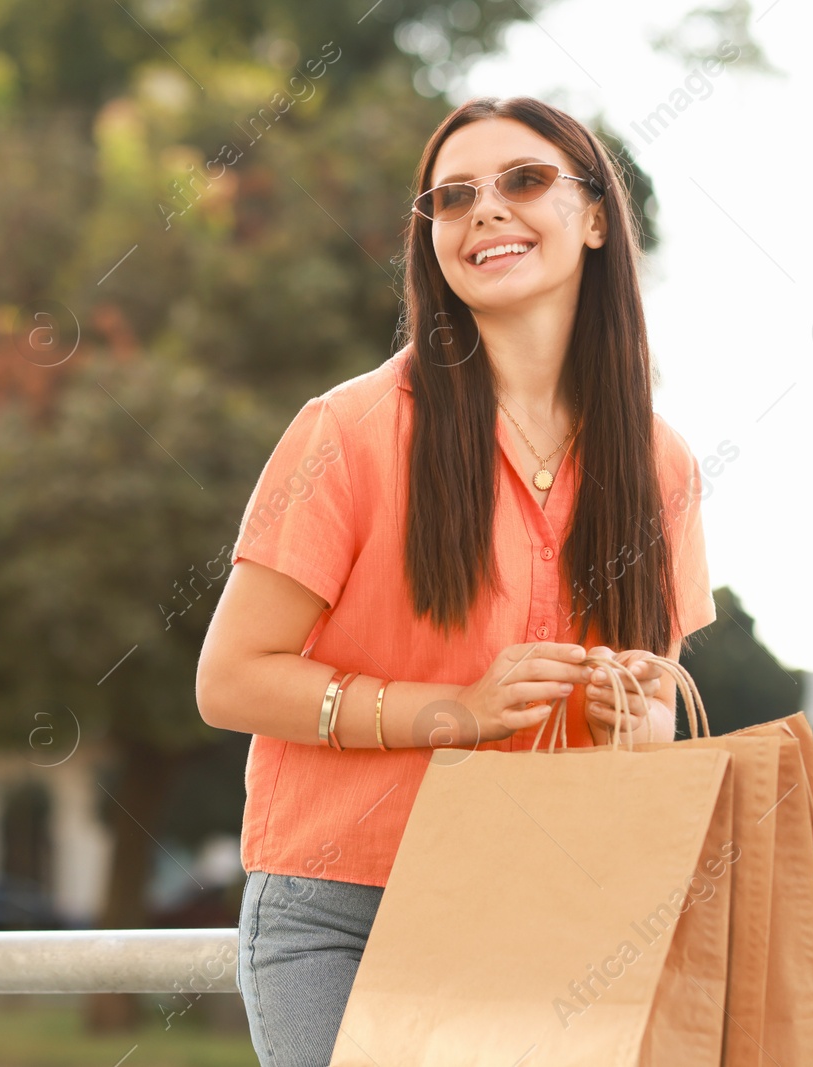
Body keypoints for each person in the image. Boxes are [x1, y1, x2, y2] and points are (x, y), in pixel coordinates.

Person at [193, 95, 717, 1067]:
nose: (485, 210)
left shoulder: (661, 464)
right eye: (452, 196)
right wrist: (452, 709)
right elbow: (229, 679)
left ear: (596, 217)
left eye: (523, 181)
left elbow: (651, 725)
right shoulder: (345, 432)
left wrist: (625, 716)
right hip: (345, 905)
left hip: (550, 912)